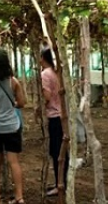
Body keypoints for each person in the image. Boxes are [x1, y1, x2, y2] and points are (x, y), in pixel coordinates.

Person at [0, 48, 27, 204]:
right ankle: (19, 196)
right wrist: (12, 105)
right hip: (12, 126)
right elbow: (22, 103)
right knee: (14, 162)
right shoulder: (14, 82)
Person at [40, 47, 67, 198]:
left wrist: (39, 107)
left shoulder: (45, 74)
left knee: (57, 152)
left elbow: (47, 97)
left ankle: (60, 185)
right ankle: (62, 182)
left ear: (43, 58)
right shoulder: (58, 73)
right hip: (63, 115)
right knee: (62, 152)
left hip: (53, 117)